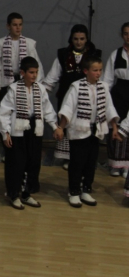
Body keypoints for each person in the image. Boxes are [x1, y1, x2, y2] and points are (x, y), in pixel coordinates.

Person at [0, 57, 62, 209]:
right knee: (16, 162)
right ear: (23, 73)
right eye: (31, 72)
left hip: (34, 128)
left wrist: (55, 126)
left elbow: (47, 110)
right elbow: (4, 112)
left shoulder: (40, 89)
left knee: (33, 162)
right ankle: (14, 194)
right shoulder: (14, 89)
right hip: (18, 130)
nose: (34, 75)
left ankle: (26, 194)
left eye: (36, 72)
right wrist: (5, 133)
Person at [59, 56, 120, 208]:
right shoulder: (76, 86)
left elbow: (109, 107)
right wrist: (61, 127)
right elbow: (68, 107)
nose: (98, 73)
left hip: (95, 128)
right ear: (86, 71)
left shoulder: (104, 87)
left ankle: (86, 188)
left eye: (100, 70)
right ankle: (73, 191)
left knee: (91, 161)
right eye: (95, 70)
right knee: (77, 162)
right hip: (79, 129)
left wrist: (115, 127)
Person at [43, 24, 101, 170]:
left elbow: (99, 77)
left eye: (82, 39)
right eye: (76, 39)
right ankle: (68, 158)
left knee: (83, 128)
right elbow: (52, 77)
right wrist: (41, 93)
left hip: (86, 101)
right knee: (67, 125)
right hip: (66, 98)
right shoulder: (63, 55)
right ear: (71, 39)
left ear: (86, 39)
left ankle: (82, 159)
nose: (79, 42)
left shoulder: (94, 54)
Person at [0, 12, 44, 111]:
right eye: (14, 25)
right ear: (8, 26)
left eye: (20, 25)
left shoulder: (28, 43)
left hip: (24, 80)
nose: (18, 27)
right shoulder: (1, 44)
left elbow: (36, 64)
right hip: (6, 82)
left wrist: (37, 84)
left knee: (24, 111)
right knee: (5, 110)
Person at [101, 22, 129, 178]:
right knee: (116, 127)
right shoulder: (116, 54)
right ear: (122, 35)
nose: (128, 36)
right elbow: (107, 80)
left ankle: (128, 166)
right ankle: (115, 164)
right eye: (125, 33)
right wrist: (104, 97)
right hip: (119, 93)